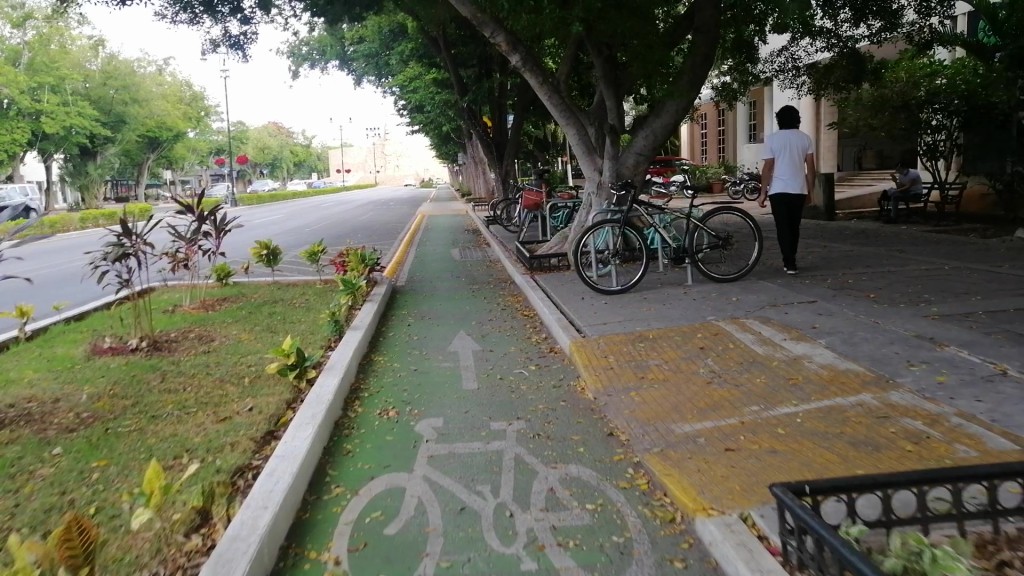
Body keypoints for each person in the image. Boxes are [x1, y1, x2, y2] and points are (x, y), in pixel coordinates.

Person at [757, 105, 816, 275]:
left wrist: (763, 193)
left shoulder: (772, 139)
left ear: (779, 120)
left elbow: (767, 168)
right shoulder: (805, 139)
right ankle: (792, 259)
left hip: (778, 190)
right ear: (797, 120)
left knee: (782, 227)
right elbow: (810, 168)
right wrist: (811, 191)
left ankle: (788, 261)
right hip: (799, 189)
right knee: (794, 226)